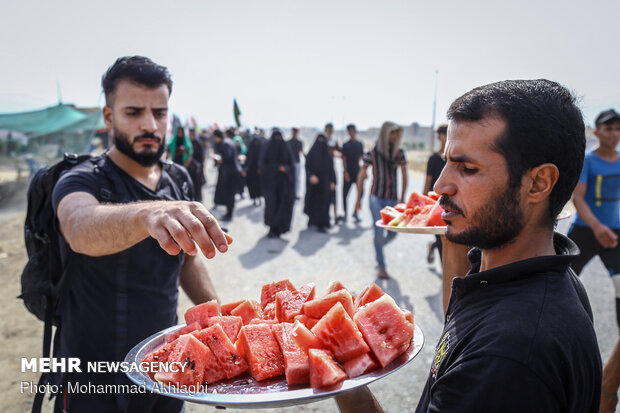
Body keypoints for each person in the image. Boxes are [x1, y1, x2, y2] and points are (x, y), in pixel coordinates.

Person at [51, 56, 231, 413]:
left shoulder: (179, 178)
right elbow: (79, 227)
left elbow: (186, 262)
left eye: (159, 113)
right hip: (94, 377)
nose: (150, 124)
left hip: (163, 368)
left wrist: (221, 334)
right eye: (133, 112)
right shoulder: (83, 179)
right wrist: (148, 213)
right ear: (108, 117)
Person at [414, 80, 602, 412]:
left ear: (538, 183)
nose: (440, 185)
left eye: (468, 168)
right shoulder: (542, 273)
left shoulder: (506, 359)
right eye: (446, 162)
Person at [567, 108, 620, 412]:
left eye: (618, 129)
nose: (614, 133)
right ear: (597, 131)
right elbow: (578, 197)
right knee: (560, 280)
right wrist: (598, 227)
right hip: (586, 231)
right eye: (608, 128)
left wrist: (610, 227)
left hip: (614, 232)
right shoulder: (589, 160)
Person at [354, 122, 408, 279]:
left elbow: (404, 175)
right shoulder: (371, 153)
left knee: (394, 233)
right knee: (378, 231)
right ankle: (381, 265)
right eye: (392, 133)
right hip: (376, 198)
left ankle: (378, 247)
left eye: (396, 134)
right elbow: (361, 177)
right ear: (385, 134)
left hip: (392, 200)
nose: (394, 137)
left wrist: (403, 198)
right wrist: (357, 201)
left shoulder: (399, 153)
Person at [259, 129, 296, 238]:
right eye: (276, 138)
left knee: (283, 205)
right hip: (271, 184)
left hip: (284, 184)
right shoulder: (267, 148)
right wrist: (276, 167)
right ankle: (272, 228)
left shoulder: (286, 148)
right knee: (272, 206)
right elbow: (262, 165)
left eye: (280, 138)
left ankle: (280, 229)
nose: (278, 141)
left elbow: (292, 165)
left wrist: (286, 169)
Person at [424, 124, 448, 263]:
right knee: (440, 239)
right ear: (439, 137)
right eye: (444, 134)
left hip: (452, 203)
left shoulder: (454, 157)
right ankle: (445, 272)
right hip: (435, 204)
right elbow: (428, 181)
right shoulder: (433, 159)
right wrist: (424, 203)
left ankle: (432, 247)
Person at [304, 134, 336, 232]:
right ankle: (313, 221)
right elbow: (307, 166)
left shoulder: (328, 154)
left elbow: (332, 169)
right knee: (314, 202)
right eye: (319, 140)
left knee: (324, 203)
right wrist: (310, 176)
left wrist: (333, 181)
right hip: (314, 185)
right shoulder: (311, 153)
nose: (321, 143)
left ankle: (323, 223)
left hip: (325, 183)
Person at [212, 129, 242, 221]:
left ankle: (229, 215)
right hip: (232, 171)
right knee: (230, 194)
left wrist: (218, 158)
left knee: (230, 194)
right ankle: (228, 213)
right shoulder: (229, 141)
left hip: (231, 172)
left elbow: (227, 156)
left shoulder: (225, 144)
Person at [340, 123, 364, 223]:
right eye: (349, 131)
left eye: (353, 130)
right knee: (345, 194)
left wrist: (363, 172)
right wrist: (345, 172)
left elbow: (363, 158)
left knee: (361, 193)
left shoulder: (359, 144)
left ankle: (355, 212)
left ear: (355, 131)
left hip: (357, 172)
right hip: (348, 173)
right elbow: (343, 159)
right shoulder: (345, 145)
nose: (351, 132)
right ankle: (345, 214)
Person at [325, 122, 341, 223]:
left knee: (334, 193)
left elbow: (340, 151)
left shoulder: (334, 142)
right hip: (323, 171)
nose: (330, 131)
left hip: (331, 170)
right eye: (328, 129)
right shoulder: (322, 140)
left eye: (331, 129)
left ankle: (335, 216)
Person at [245, 131, 265, 205]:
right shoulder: (250, 149)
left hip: (259, 172)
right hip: (251, 171)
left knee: (259, 186)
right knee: (252, 186)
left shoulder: (261, 149)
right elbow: (247, 159)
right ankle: (254, 199)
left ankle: (259, 198)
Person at [187, 127, 206, 202]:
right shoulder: (187, 143)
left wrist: (200, 168)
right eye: (190, 133)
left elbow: (201, 157)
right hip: (188, 168)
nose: (191, 135)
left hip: (197, 168)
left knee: (197, 185)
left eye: (193, 133)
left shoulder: (198, 143)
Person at [287, 127, 305, 200]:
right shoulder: (288, 142)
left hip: (297, 162)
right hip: (290, 163)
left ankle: (297, 194)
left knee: (297, 178)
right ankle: (290, 193)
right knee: (290, 178)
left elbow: (302, 152)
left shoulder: (299, 142)